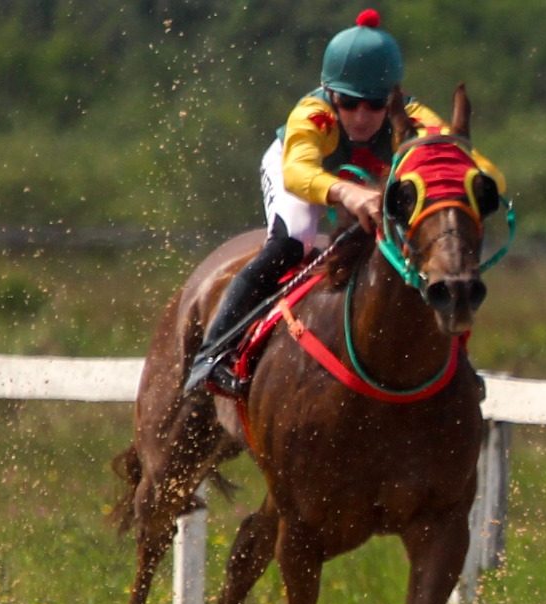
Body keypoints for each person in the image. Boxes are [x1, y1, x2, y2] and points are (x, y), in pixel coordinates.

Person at [185, 8, 504, 397]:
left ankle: (456, 361)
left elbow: (472, 163)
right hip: (303, 174)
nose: (361, 116)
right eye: (349, 103)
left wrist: (477, 182)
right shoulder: (312, 115)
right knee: (293, 242)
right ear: (330, 93)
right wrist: (348, 192)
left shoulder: (416, 118)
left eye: (374, 104)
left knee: (437, 253)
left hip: (369, 183)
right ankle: (213, 352)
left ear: (393, 98)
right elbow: (300, 174)